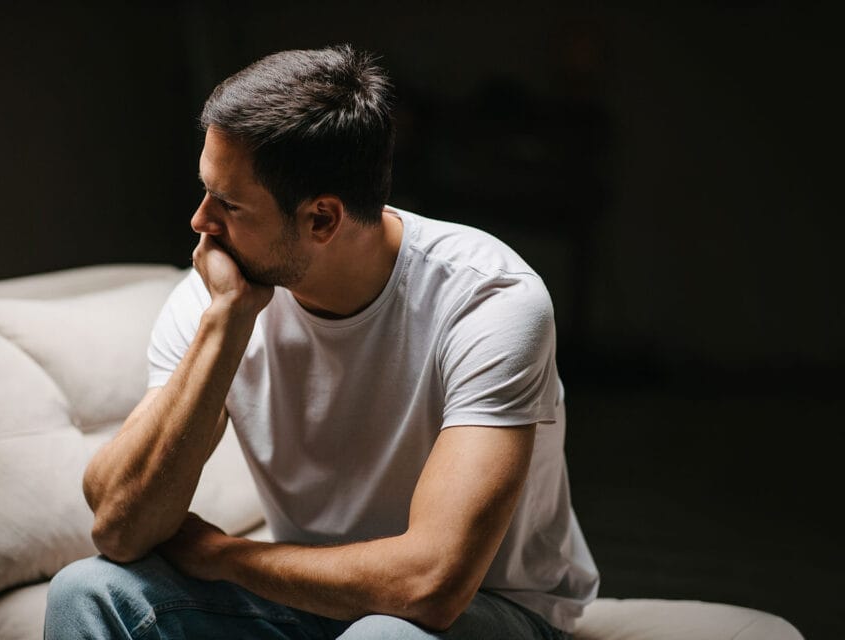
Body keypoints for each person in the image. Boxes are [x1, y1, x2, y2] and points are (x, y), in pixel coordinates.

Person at [45, 44, 599, 639]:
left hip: (487, 610)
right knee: (88, 591)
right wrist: (227, 322)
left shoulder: (488, 300)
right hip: (304, 601)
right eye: (206, 191)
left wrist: (226, 556)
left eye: (228, 204)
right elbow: (119, 530)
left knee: (382, 635)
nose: (201, 222)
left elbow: (431, 585)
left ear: (322, 220)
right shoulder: (218, 296)